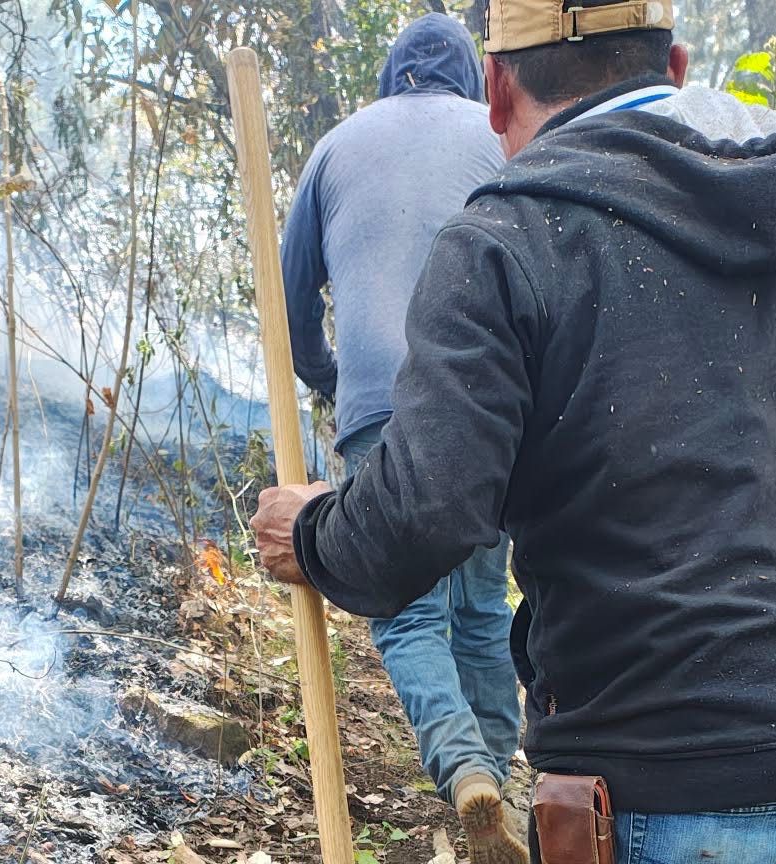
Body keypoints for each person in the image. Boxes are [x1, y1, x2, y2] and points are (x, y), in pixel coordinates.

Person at [253, 0, 776, 860]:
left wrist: (308, 530)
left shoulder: (505, 237)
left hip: (658, 785)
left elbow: (426, 511)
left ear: (497, 92)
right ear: (674, 67)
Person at [278, 13, 526, 861]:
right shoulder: (500, 134)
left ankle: (462, 769)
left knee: (405, 606)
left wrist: (327, 379)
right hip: (492, 397)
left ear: (391, 80)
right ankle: (494, 770)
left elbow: (293, 303)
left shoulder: (336, 146)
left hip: (381, 399)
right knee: (484, 605)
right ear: (472, 79)